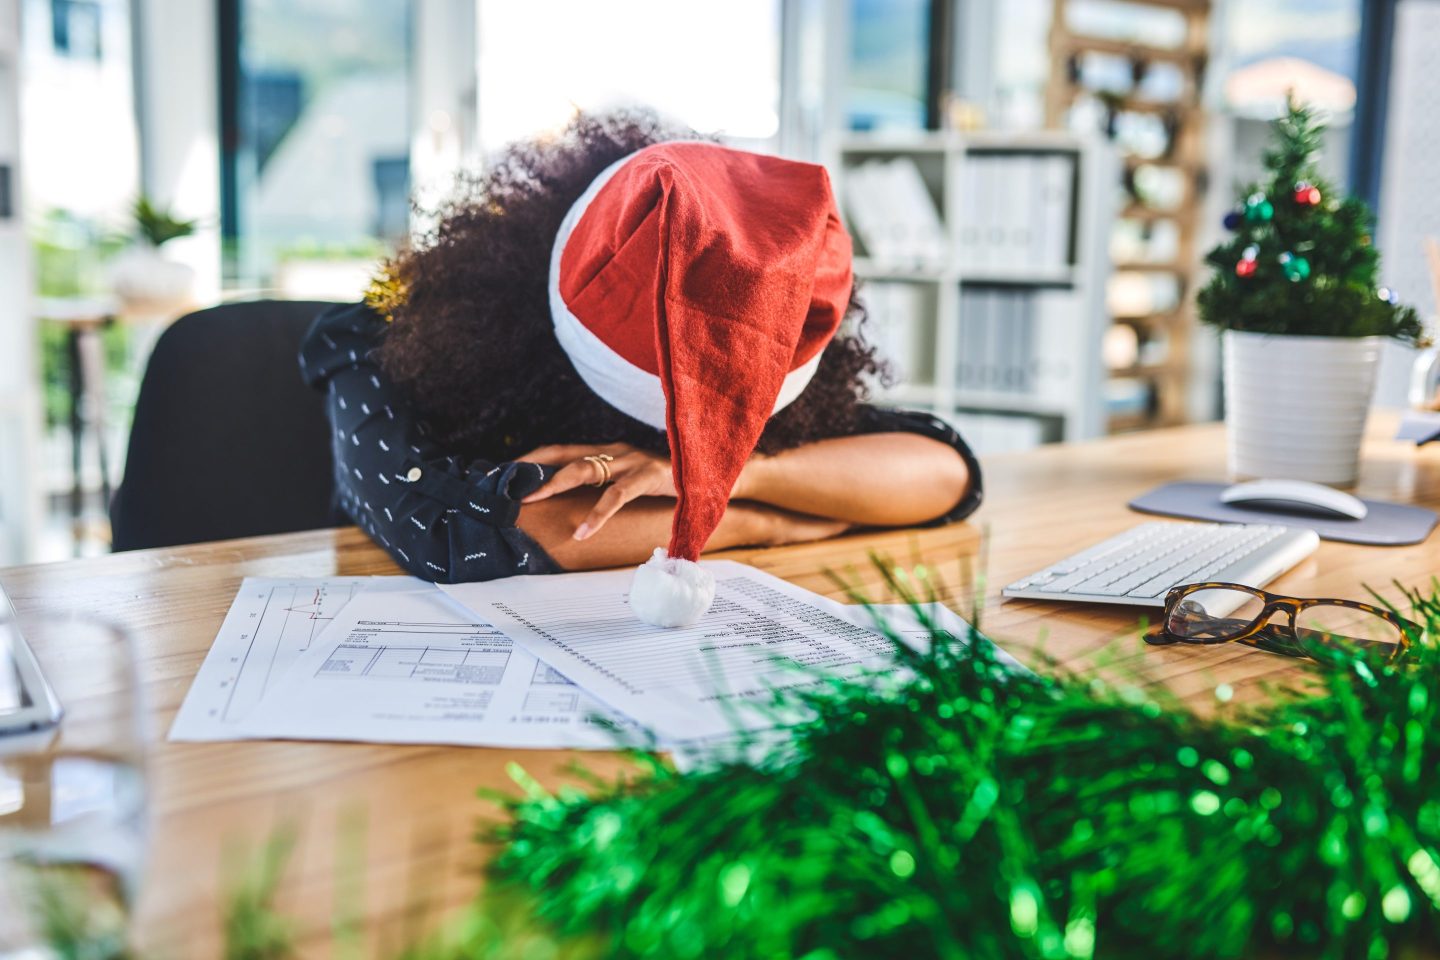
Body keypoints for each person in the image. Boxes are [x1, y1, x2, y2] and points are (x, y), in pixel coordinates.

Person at [299, 111, 981, 592]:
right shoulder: (384, 336)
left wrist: (713, 480)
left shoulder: (772, 322)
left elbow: (942, 469)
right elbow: (447, 529)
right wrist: (761, 521)